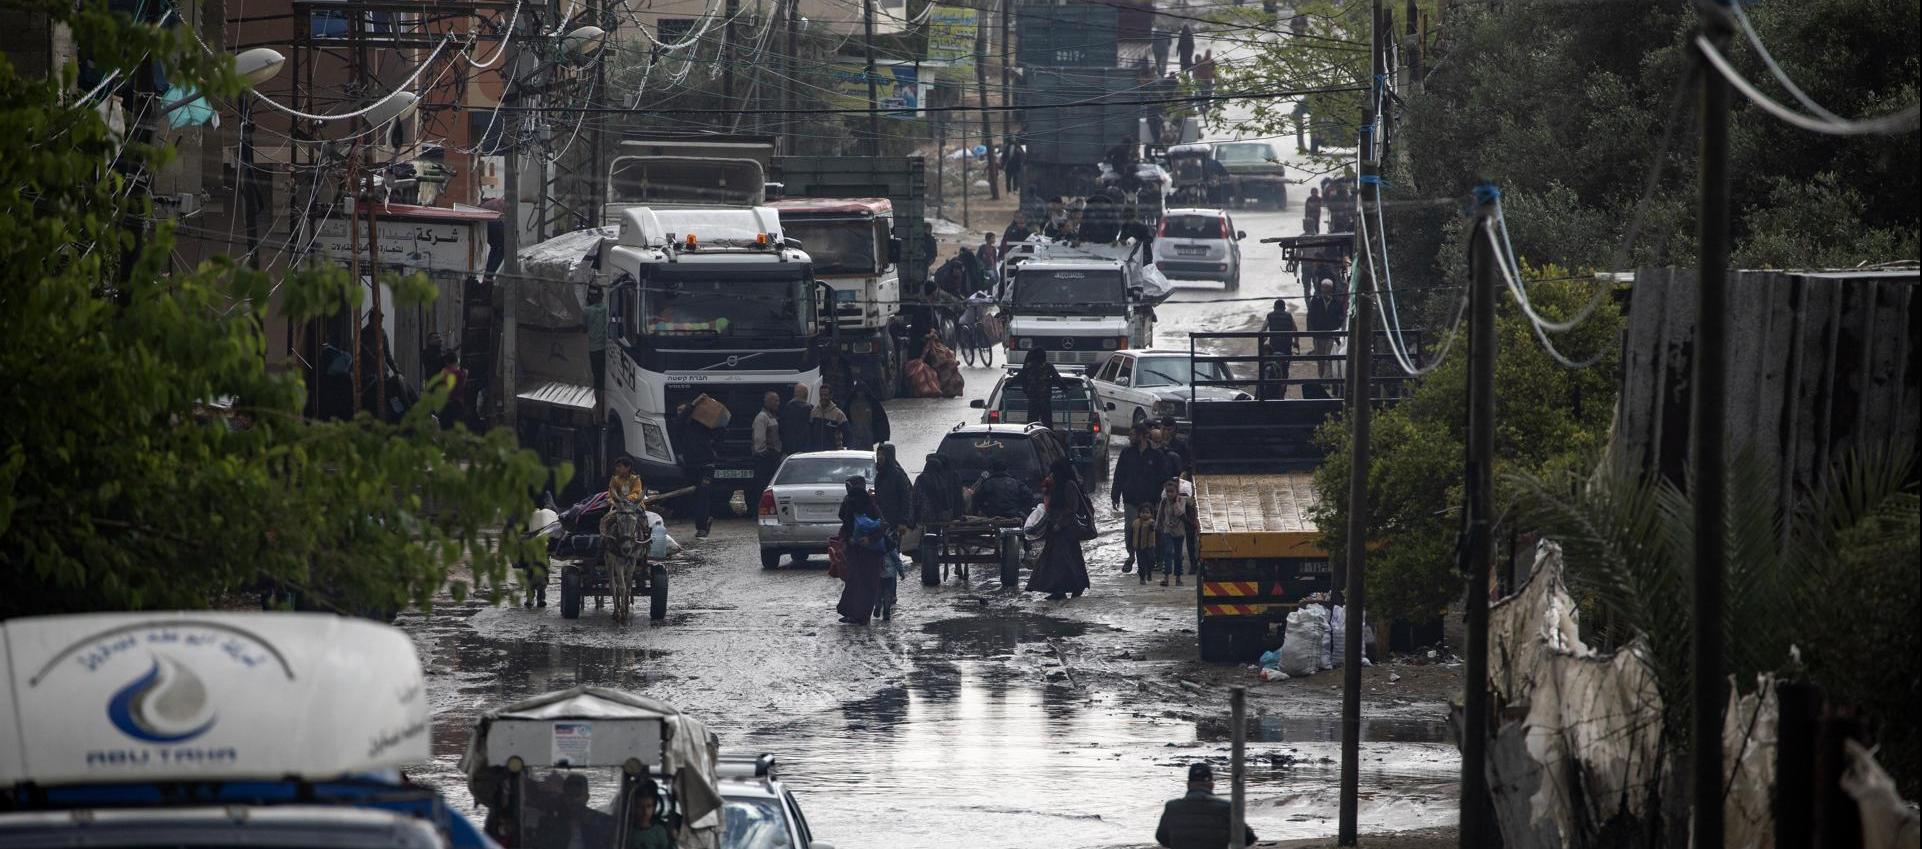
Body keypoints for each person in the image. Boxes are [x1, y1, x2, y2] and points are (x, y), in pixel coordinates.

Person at [1026, 458, 1092, 601]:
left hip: (1066, 531)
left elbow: (1072, 508)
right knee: (1057, 561)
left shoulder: (1069, 485)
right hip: (1056, 529)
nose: (1052, 474)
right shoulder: (1057, 486)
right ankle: (1060, 589)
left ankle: (1072, 587)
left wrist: (1060, 524)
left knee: (1066, 560)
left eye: (1054, 472)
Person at [1111, 422, 1173, 571]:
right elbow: (1119, 475)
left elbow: (1163, 478)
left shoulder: (1156, 455)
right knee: (1130, 529)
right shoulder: (1126, 453)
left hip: (1151, 500)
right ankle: (1131, 556)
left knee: (1154, 530)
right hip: (1131, 499)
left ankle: (1156, 559)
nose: (1129, 437)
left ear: (1143, 436)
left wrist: (1161, 500)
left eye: (1133, 434)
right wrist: (1115, 496)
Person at [1155, 763, 1257, 849]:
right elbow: (1248, 838)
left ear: (1188, 784)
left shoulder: (1172, 807)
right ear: (1212, 785)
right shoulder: (1225, 807)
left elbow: (1161, 837)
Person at [835, 476, 886, 625]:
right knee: (854, 582)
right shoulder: (851, 506)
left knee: (868, 584)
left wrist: (869, 539)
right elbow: (845, 526)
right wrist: (847, 540)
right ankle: (852, 613)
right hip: (855, 552)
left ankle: (862, 615)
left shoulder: (872, 508)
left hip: (871, 554)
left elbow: (882, 526)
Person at [872, 443, 913, 621]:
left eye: (881, 456)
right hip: (880, 523)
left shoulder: (898, 476)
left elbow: (906, 499)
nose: (879, 459)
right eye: (877, 456)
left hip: (895, 524)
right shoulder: (880, 475)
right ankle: (881, 595)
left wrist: (903, 522)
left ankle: (890, 594)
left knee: (891, 558)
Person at [672, 401, 717, 539]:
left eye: (683, 411)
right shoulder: (679, 426)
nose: (681, 413)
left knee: (703, 495)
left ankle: (701, 528)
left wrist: (715, 449)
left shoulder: (701, 424)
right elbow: (679, 422)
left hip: (706, 465)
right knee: (694, 495)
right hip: (691, 466)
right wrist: (691, 405)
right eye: (679, 411)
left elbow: (717, 431)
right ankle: (704, 520)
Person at [541, 773, 616, 849]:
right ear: (563, 797)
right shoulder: (550, 823)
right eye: (570, 795)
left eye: (578, 795)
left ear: (587, 797)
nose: (574, 800)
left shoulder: (604, 822)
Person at [1015, 347, 1067, 430]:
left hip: (1033, 400)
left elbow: (1018, 378)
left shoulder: (1028, 367)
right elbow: (1058, 380)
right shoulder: (1048, 367)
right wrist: (1066, 389)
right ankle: (1049, 439)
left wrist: (1007, 384)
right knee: (1047, 424)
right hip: (1045, 400)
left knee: (1031, 424)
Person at [1154, 478, 1194, 586]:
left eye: (1172, 491)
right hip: (1167, 531)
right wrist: (1157, 526)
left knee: (1178, 555)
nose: (1169, 494)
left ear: (1176, 491)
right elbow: (1160, 515)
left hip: (1179, 532)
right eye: (1168, 491)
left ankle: (1178, 578)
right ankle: (1166, 577)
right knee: (1167, 553)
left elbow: (1179, 513)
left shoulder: (1181, 500)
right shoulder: (1164, 501)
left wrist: (1176, 503)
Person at [969, 455, 1033, 519]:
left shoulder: (986, 484)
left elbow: (976, 499)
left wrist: (985, 511)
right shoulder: (1016, 483)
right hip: (1013, 518)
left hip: (993, 519)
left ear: (993, 469)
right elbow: (1029, 495)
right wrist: (1020, 510)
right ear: (1006, 469)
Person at [1261, 298, 1299, 399]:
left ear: (1274, 307)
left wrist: (1264, 340)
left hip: (1274, 347)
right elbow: (1295, 329)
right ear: (1284, 308)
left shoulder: (1270, 315)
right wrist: (1296, 343)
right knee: (1285, 369)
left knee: (1272, 367)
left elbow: (1263, 330)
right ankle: (1282, 391)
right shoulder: (1288, 316)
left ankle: (1273, 391)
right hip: (1286, 347)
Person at [1307, 277, 1343, 380]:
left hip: (1331, 334)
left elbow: (1340, 317)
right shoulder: (1316, 301)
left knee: (1328, 358)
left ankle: (1326, 379)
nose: (1324, 290)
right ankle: (1321, 377)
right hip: (1318, 334)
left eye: (1327, 288)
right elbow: (1310, 316)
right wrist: (1311, 331)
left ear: (1331, 289)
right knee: (1320, 359)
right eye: (1323, 288)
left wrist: (1337, 330)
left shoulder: (1336, 302)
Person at [624, 780, 674, 849]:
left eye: (649, 806)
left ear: (654, 808)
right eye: (640, 807)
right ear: (633, 807)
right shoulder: (626, 831)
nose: (645, 812)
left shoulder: (659, 832)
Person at [752, 390, 783, 499]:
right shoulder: (762, 417)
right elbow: (759, 439)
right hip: (765, 460)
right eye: (775, 400)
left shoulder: (771, 417)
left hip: (771, 458)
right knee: (762, 486)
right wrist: (765, 453)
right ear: (767, 402)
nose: (778, 403)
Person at [843, 379, 890, 450]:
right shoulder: (849, 404)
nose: (860, 394)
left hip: (868, 439)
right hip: (853, 439)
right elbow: (843, 421)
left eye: (862, 392)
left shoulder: (873, 404)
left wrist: (882, 440)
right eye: (858, 392)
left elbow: (881, 421)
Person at [435, 350, 471, 430]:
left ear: (446, 362)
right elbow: (462, 387)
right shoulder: (460, 374)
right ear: (456, 362)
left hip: (444, 404)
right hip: (456, 405)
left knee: (445, 429)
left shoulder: (443, 372)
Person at [583, 286, 608, 402]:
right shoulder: (606, 309)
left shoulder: (587, 311)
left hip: (594, 349)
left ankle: (599, 404)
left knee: (597, 378)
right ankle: (605, 403)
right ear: (602, 296)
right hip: (606, 349)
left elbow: (584, 328)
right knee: (605, 377)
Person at [810, 384, 849, 450]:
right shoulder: (814, 412)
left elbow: (848, 433)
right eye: (821, 395)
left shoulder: (838, 414)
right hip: (816, 453)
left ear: (831, 396)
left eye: (826, 395)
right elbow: (809, 433)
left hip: (833, 454)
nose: (823, 397)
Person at [779, 382, 814, 455]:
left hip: (789, 449)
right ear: (806, 394)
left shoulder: (786, 408)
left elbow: (782, 429)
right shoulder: (810, 409)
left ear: (795, 393)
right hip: (805, 449)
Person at [1130, 501, 1159, 585]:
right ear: (1139, 513)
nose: (1144, 514)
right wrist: (1131, 545)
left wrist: (1152, 526)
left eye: (1147, 512)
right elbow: (1131, 534)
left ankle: (1149, 572)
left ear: (1151, 514)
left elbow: (1154, 529)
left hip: (1150, 547)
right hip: (1139, 547)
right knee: (1141, 563)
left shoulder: (1151, 522)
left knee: (1151, 561)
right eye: (1142, 512)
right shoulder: (1135, 523)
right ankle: (1142, 578)